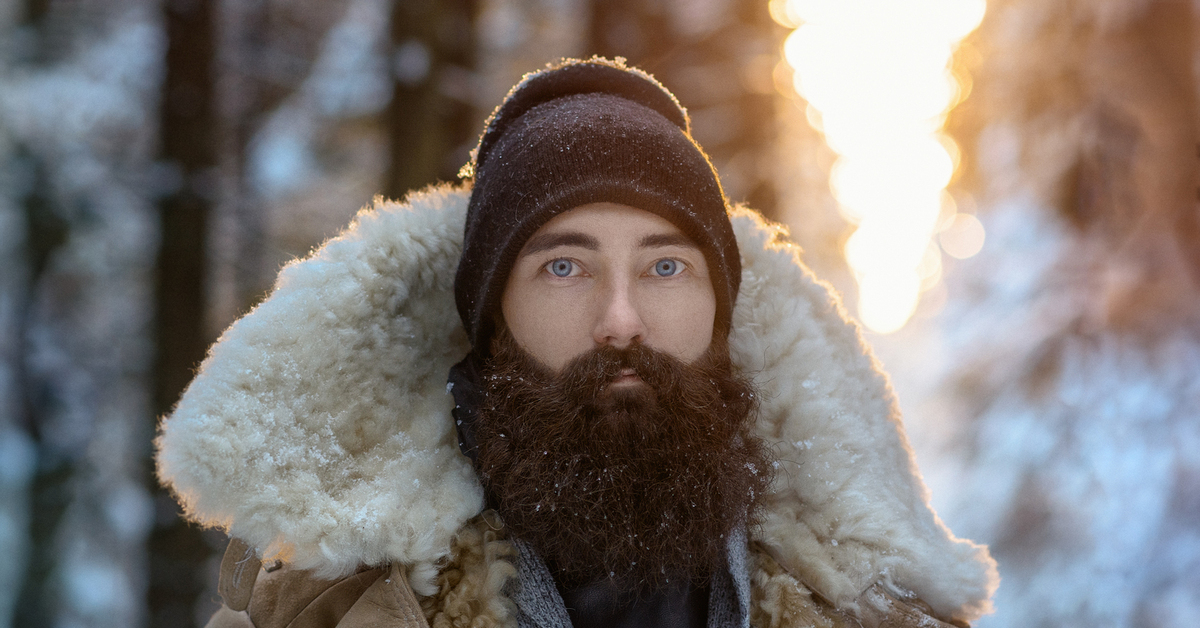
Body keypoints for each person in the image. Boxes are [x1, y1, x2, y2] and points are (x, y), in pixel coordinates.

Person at [156, 57, 998, 628]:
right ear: (491, 319)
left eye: (667, 267)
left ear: (721, 311)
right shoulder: (323, 606)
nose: (621, 319)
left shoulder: (865, 609)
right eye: (565, 267)